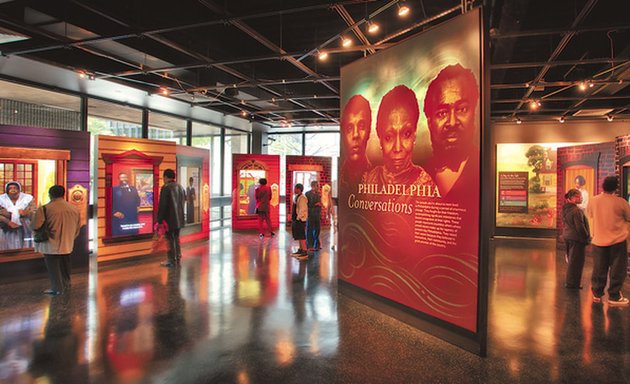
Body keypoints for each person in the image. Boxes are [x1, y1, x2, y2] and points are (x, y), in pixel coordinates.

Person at [423, 64, 480, 198]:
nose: (452, 122)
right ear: (430, 122)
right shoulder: (420, 176)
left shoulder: (484, 171)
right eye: (442, 113)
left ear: (474, 113)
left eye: (462, 109)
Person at [364, 85, 434, 187]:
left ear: (415, 135)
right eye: (388, 137)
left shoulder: (426, 186)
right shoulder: (368, 180)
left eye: (406, 134)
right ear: (380, 139)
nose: (397, 148)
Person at [31, 185, 81, 295]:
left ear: (50, 194)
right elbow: (78, 228)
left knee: (53, 266)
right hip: (67, 243)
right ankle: (66, 284)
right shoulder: (74, 209)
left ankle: (56, 288)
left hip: (51, 243)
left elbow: (35, 225)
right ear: (63, 194)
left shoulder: (45, 208)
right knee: (65, 265)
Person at [587, 176, 630, 306]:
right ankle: (614, 296)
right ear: (616, 187)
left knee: (599, 268)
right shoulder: (621, 202)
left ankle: (597, 294)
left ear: (603, 186)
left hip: (598, 240)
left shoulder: (593, 200)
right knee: (617, 269)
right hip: (617, 240)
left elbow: (590, 215)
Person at [562, 188, 590, 289]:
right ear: (572, 198)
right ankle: (573, 283)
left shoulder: (565, 209)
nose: (581, 198)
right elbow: (580, 227)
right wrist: (587, 237)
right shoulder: (576, 210)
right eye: (578, 196)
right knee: (577, 262)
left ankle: (570, 282)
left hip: (568, 237)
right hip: (577, 239)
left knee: (571, 261)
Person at [157, 169, 186, 268]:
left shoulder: (166, 188)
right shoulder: (180, 187)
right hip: (180, 219)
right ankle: (177, 256)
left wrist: (159, 220)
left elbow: (163, 205)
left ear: (165, 177)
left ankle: (171, 260)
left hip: (169, 219)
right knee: (176, 237)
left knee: (169, 238)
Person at [340, 95, 372, 184]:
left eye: (361, 127)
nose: (356, 134)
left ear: (369, 131)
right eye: (349, 128)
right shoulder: (341, 177)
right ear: (343, 133)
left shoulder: (376, 178)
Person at [0, 181, 35, 250]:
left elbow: (33, 211)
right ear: (7, 190)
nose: (13, 190)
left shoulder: (27, 198)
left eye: (15, 188)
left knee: (24, 248)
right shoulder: (1, 199)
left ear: (19, 190)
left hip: (24, 228)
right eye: (10, 188)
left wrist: (26, 213)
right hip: (5, 228)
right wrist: (8, 221)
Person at [291, 183, 308, 260]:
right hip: (296, 219)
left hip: (300, 219)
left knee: (301, 235)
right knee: (298, 235)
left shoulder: (302, 198)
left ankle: (304, 251)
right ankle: (300, 250)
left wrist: (298, 218)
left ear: (299, 189)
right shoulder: (297, 196)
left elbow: (303, 209)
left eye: (295, 188)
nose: (294, 189)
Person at [305, 180, 322, 251]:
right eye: (317, 185)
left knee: (317, 229)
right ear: (313, 186)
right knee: (310, 230)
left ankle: (317, 244)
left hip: (317, 214)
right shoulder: (307, 194)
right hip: (310, 214)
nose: (318, 187)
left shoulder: (318, 194)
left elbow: (320, 203)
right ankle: (310, 245)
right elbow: (306, 204)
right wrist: (315, 204)